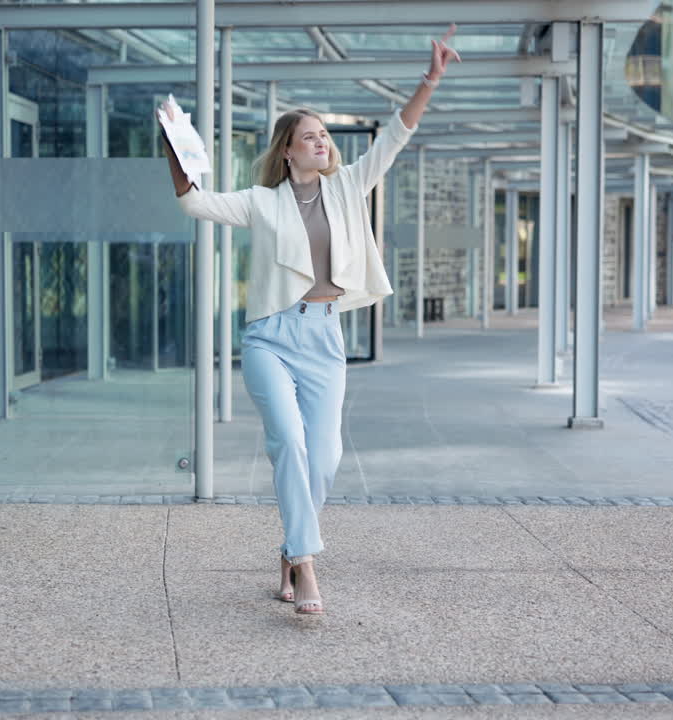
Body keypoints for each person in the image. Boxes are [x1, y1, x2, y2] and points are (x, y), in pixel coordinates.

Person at [160, 28, 461, 616]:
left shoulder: (349, 187)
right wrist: (173, 144)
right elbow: (196, 202)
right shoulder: (261, 201)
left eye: (324, 135)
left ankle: (290, 549)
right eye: (309, 137)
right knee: (289, 443)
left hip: (324, 336)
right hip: (271, 338)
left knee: (324, 456)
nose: (321, 142)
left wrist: (431, 80)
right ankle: (307, 566)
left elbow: (397, 135)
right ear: (288, 151)